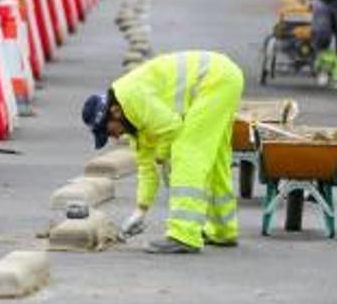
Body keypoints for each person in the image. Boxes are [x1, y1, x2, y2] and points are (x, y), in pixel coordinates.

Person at [81, 51, 243, 254]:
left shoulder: (133, 98)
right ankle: (223, 230)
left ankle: (184, 235)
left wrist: (162, 155)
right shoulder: (133, 124)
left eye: (108, 130)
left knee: (186, 154)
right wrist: (141, 210)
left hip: (214, 80)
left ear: (114, 112)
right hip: (221, 79)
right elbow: (147, 168)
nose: (112, 137)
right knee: (216, 160)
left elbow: (172, 128)